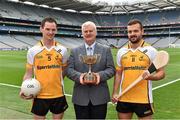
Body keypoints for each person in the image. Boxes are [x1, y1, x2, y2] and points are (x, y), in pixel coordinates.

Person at [112, 19, 165, 119]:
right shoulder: (121, 51)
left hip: (144, 99)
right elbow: (118, 73)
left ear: (142, 31)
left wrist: (151, 77)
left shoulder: (151, 51)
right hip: (124, 97)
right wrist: (115, 92)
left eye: (135, 31)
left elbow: (161, 73)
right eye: (130, 31)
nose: (132, 34)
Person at [19, 17, 68, 120]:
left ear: (56, 30)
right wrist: (23, 88)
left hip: (58, 94)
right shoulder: (33, 51)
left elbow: (64, 70)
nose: (50, 32)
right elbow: (28, 74)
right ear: (41, 29)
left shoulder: (63, 50)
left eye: (53, 29)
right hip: (39, 95)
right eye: (47, 29)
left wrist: (56, 81)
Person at [66, 21, 115, 119]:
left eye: (91, 31)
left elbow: (111, 69)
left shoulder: (106, 50)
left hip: (100, 97)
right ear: (82, 34)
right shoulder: (74, 51)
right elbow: (69, 70)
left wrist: (99, 76)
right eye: (86, 31)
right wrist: (80, 77)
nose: (88, 33)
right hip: (80, 97)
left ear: (96, 32)